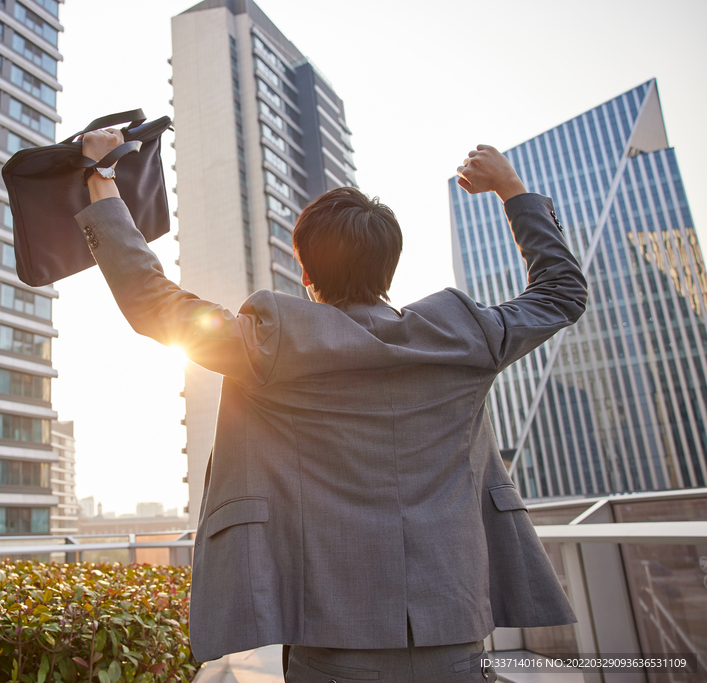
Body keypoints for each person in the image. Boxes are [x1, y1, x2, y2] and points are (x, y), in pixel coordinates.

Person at [76, 129, 586, 682]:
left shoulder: (275, 342)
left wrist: (101, 182)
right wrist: (510, 189)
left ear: (306, 274)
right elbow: (562, 292)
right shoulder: (466, 335)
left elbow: (155, 302)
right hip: (457, 633)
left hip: (332, 643)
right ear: (388, 267)